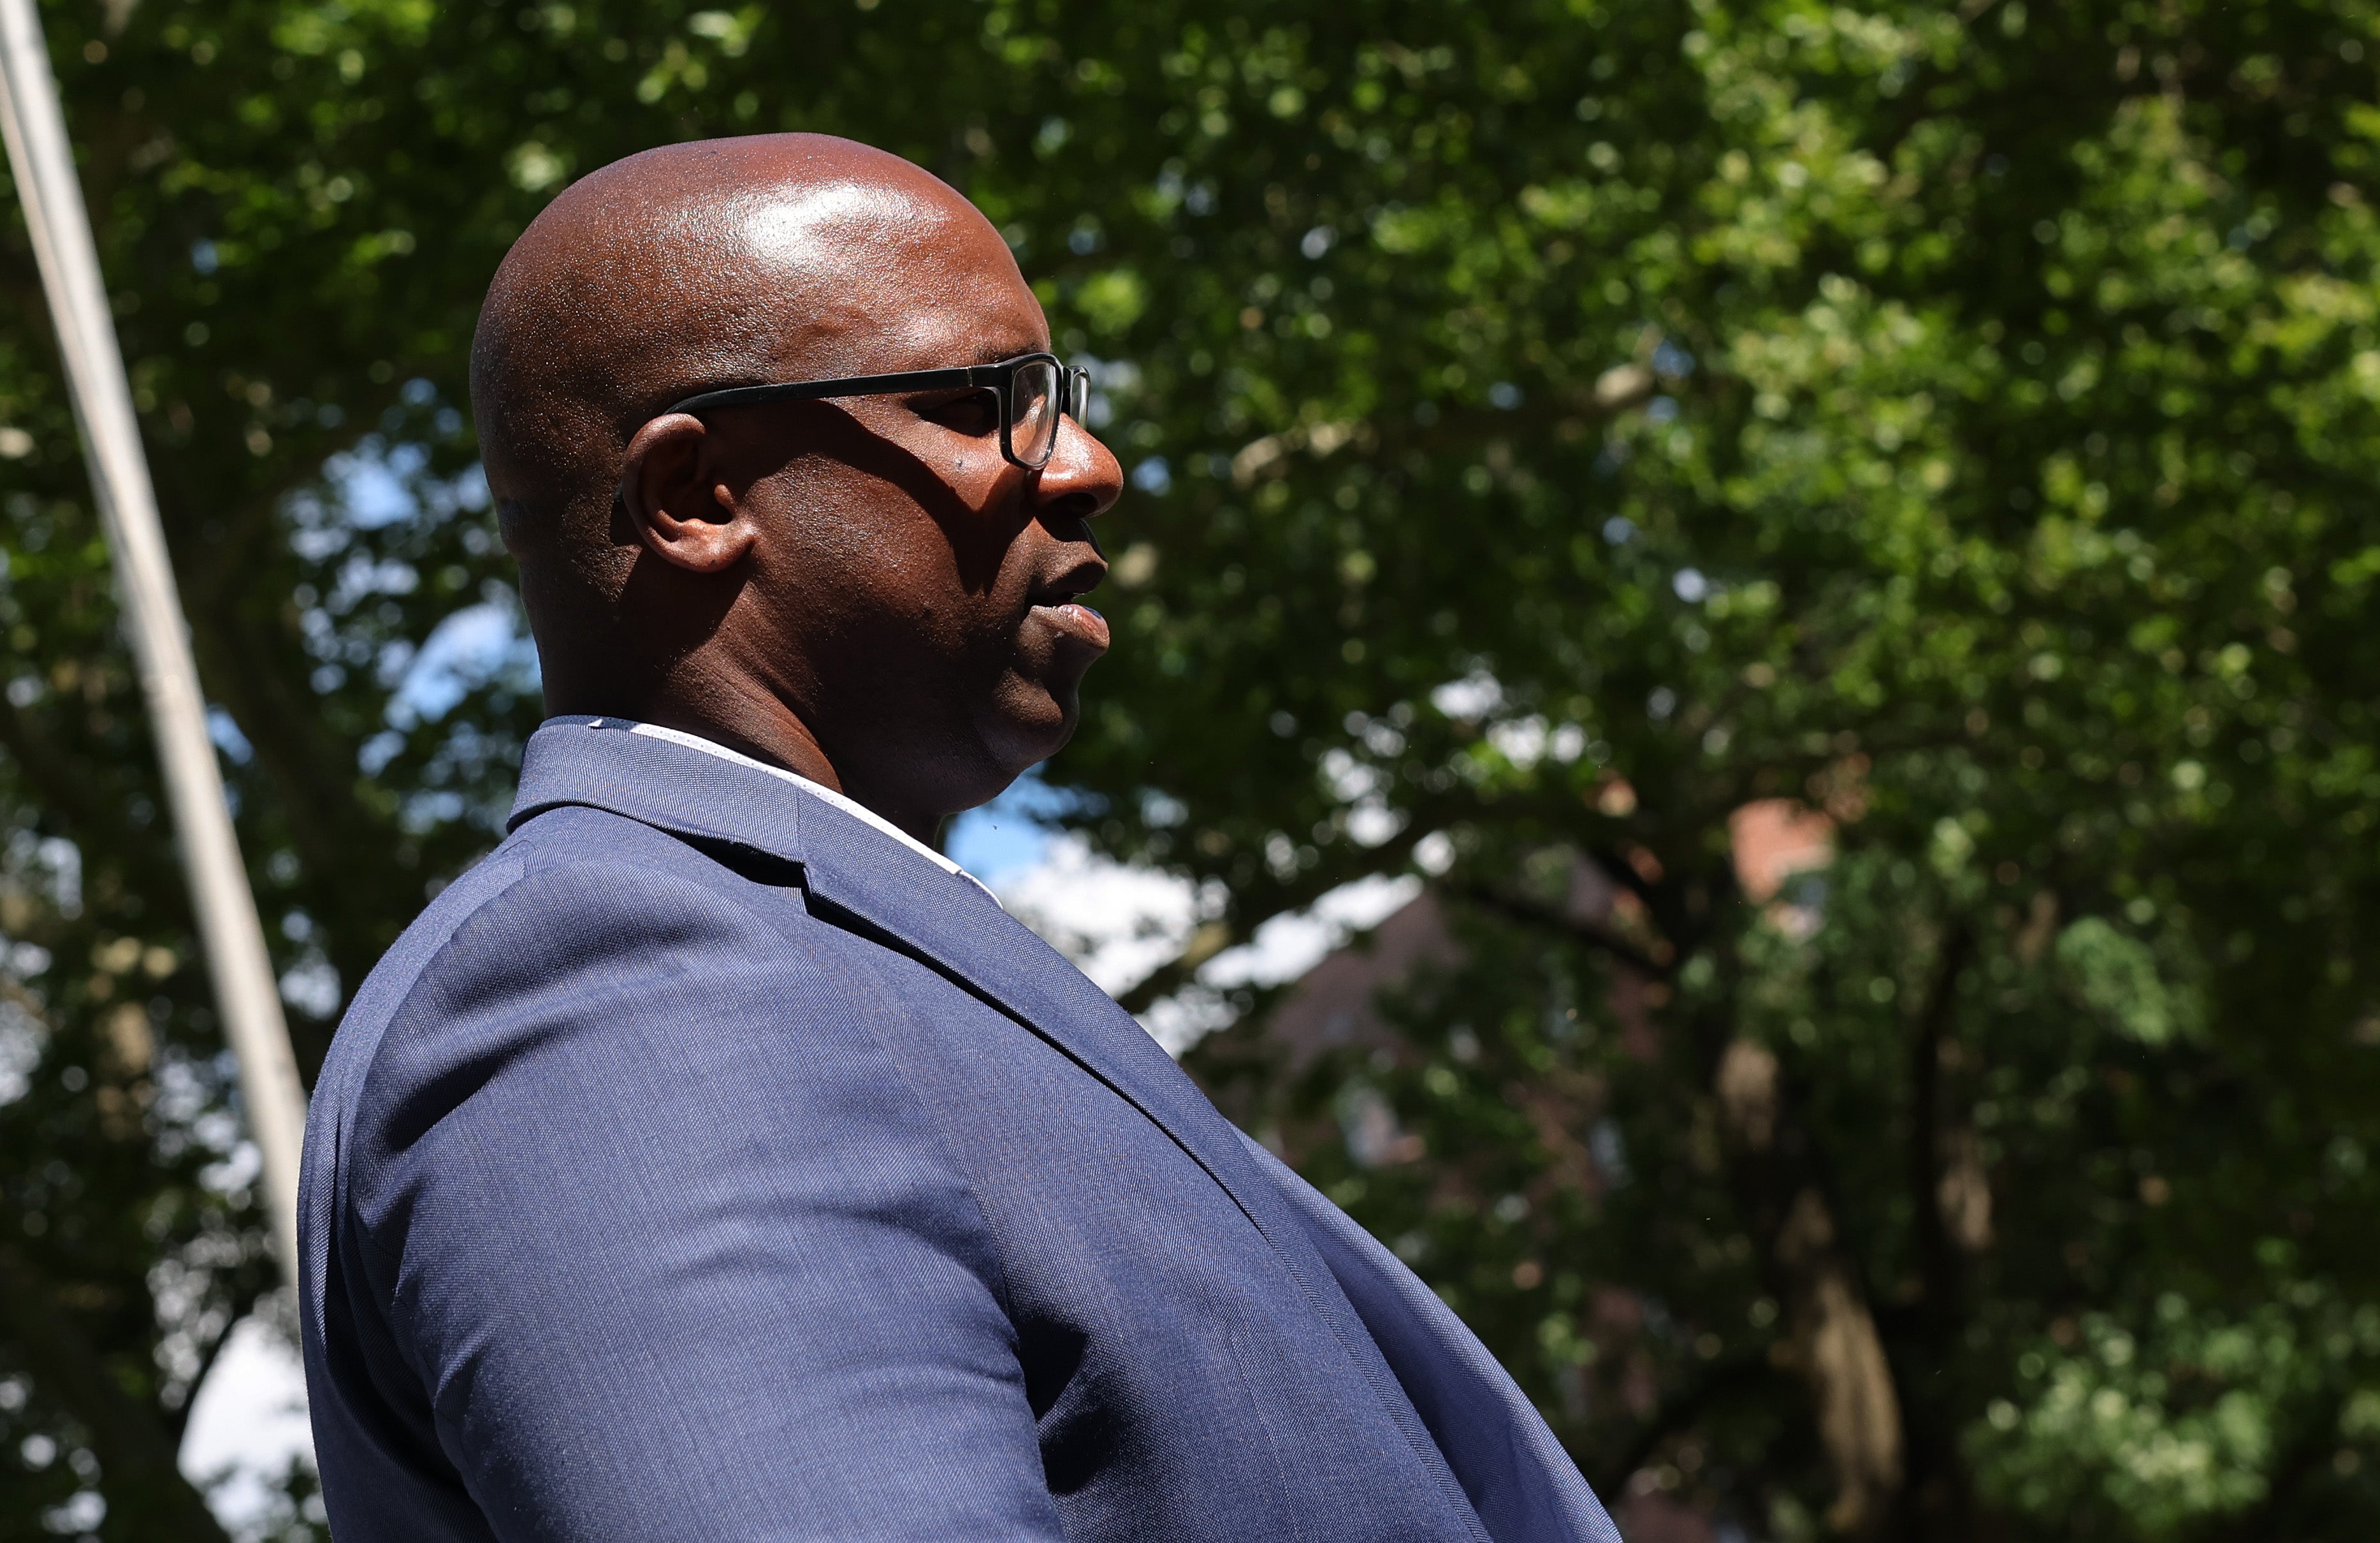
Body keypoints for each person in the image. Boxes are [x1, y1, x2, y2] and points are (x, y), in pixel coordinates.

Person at [298, 133, 1616, 1543]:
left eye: (1062, 400)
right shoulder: (616, 988)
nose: (1090, 464)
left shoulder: (801, 968)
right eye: (987, 402)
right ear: (697, 499)